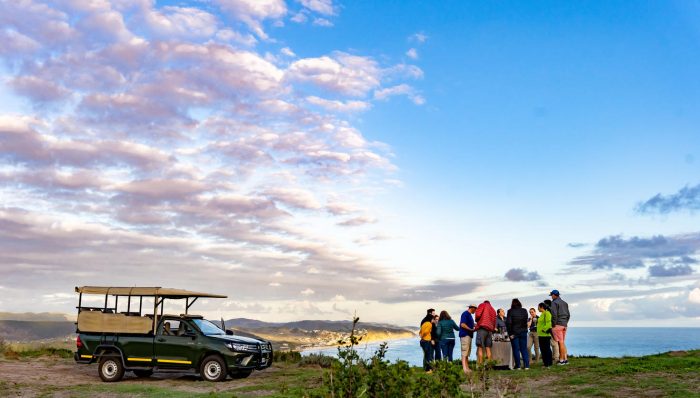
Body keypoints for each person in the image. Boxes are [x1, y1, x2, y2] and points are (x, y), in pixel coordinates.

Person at [506, 298, 530, 370]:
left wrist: (510, 334)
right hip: (523, 332)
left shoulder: (510, 311)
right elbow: (526, 320)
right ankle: (527, 366)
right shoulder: (524, 310)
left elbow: (509, 323)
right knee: (524, 349)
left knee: (516, 349)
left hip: (514, 333)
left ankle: (518, 366)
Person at [549, 290, 570, 365]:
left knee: (559, 343)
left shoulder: (554, 302)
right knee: (562, 342)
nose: (551, 297)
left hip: (557, 325)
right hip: (564, 325)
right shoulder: (565, 303)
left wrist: (553, 325)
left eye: (551, 295)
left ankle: (561, 361)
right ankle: (565, 359)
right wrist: (565, 323)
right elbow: (568, 315)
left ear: (554, 295)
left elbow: (554, 314)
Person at [474, 300, 497, 365]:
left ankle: (480, 365)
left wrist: (477, 320)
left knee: (480, 347)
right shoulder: (493, 309)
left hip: (482, 328)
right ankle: (489, 366)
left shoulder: (482, 305)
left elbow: (478, 314)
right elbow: (494, 322)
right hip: (490, 330)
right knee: (488, 347)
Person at [459, 304, 477, 373]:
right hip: (465, 335)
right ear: (472, 308)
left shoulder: (469, 315)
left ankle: (467, 368)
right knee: (464, 352)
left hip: (469, 335)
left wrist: (477, 325)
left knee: (467, 352)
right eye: (475, 309)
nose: (475, 311)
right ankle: (464, 369)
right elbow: (462, 324)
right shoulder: (465, 314)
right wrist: (470, 329)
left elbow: (472, 324)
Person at [536, 302, 553, 367]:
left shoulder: (547, 313)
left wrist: (544, 329)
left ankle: (548, 363)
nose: (538, 308)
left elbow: (548, 323)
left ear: (542, 307)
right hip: (540, 334)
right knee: (543, 349)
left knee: (546, 349)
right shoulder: (542, 314)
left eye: (538, 307)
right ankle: (546, 363)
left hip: (545, 335)